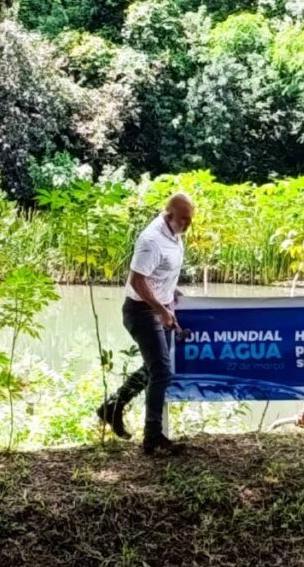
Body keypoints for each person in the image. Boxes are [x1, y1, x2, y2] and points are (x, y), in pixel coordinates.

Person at [96, 193, 194, 455]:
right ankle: (153, 437)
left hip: (159, 307)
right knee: (161, 371)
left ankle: (112, 407)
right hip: (142, 311)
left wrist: (171, 293)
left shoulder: (175, 233)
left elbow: (162, 272)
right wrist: (161, 309)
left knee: (155, 367)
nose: (188, 224)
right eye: (184, 219)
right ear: (170, 215)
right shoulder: (151, 240)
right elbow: (138, 281)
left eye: (191, 219)